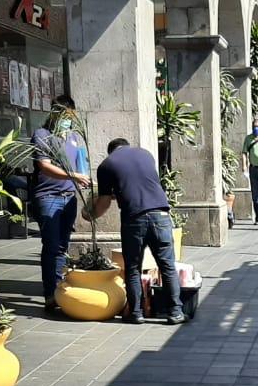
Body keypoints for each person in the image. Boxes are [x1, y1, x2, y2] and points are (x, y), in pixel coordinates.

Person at [85, 138, 184, 325]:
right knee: (167, 266)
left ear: (111, 151)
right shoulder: (146, 155)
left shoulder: (107, 165)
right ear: (127, 146)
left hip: (134, 219)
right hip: (160, 215)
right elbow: (141, 184)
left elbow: (104, 203)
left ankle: (136, 313)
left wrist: (89, 215)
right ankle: (176, 312)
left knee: (132, 268)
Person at [30, 99, 89, 316]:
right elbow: (44, 166)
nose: (67, 120)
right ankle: (51, 294)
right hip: (48, 197)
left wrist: (84, 179)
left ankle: (61, 289)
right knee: (52, 245)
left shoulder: (73, 137)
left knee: (63, 246)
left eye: (70, 116)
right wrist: (74, 176)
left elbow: (81, 164)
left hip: (69, 197)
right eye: (64, 115)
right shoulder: (42, 135)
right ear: (54, 113)